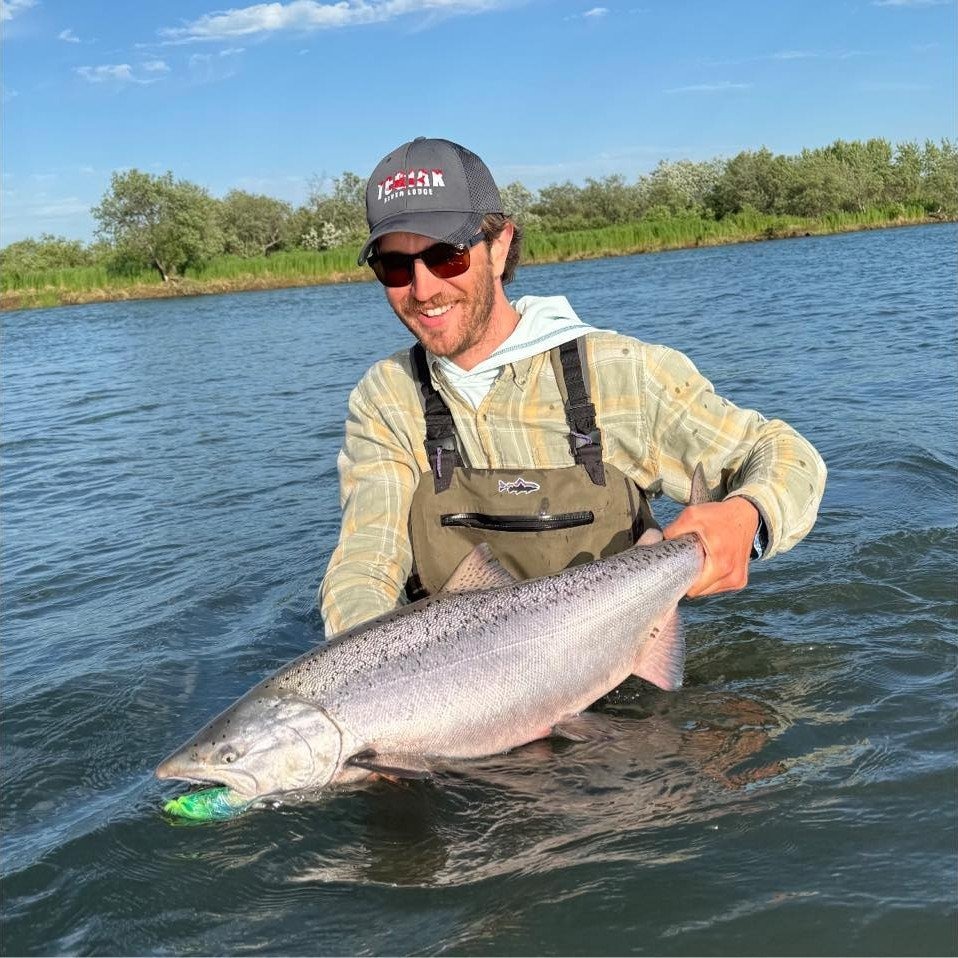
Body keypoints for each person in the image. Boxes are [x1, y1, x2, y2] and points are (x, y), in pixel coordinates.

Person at [319, 137, 826, 636]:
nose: (424, 289)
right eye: (395, 266)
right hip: (456, 695)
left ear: (499, 247)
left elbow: (783, 453)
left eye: (447, 257)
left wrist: (746, 519)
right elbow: (365, 564)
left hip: (621, 686)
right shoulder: (386, 398)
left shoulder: (619, 372)